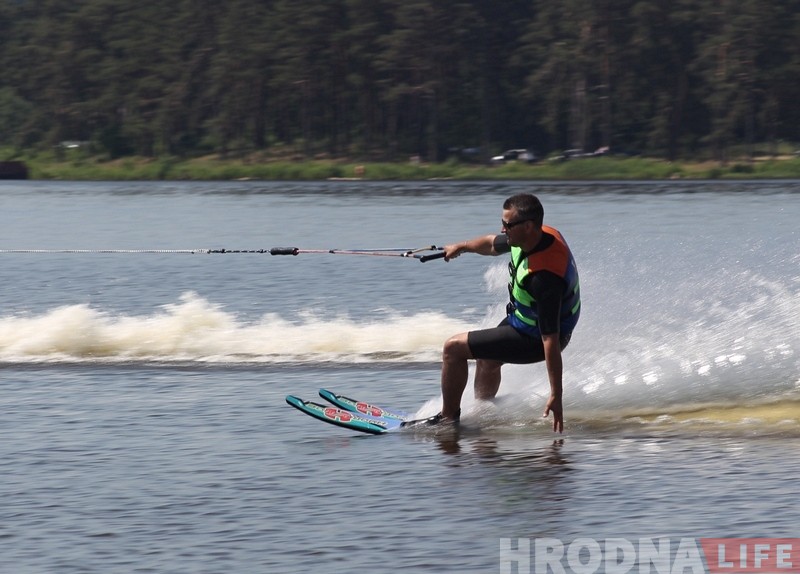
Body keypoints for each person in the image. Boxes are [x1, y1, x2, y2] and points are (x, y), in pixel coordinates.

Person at [431, 193, 580, 433]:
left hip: (536, 338)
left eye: (508, 225)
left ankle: (447, 421)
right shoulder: (534, 237)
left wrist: (556, 395)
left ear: (528, 226)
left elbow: (550, 340)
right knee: (487, 358)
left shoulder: (544, 278)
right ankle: (482, 414)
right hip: (522, 321)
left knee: (453, 348)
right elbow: (492, 244)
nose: (503, 229)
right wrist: (462, 247)